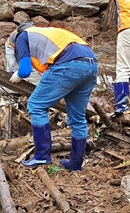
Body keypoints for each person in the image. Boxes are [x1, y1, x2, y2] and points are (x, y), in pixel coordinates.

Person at [9, 23, 98, 171]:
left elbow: (24, 70)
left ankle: (42, 156)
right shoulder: (50, 33)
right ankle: (75, 163)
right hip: (91, 65)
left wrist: (17, 75)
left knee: (36, 105)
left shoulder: (23, 36)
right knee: (78, 117)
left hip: (69, 64)